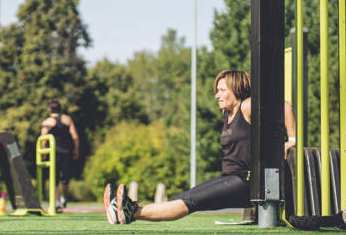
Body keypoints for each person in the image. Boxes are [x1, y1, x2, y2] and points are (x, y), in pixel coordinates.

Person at [104, 69, 296, 225]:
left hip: (246, 182)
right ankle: (129, 211)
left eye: (222, 90)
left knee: (191, 201)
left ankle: (130, 212)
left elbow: (285, 106)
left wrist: (292, 139)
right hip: (231, 178)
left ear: (237, 88)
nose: (216, 95)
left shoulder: (246, 106)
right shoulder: (228, 114)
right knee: (184, 196)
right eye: (217, 90)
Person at [39, 99, 80, 210]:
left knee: (54, 178)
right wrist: (76, 150)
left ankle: (56, 202)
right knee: (65, 178)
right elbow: (75, 137)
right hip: (66, 152)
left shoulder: (47, 122)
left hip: (53, 153)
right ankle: (64, 198)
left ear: (49, 109)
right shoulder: (67, 119)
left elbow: (43, 139)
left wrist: (43, 153)